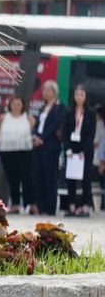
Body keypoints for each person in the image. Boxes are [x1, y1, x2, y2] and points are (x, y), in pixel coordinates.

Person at [0, 94, 35, 213]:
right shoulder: (3, 118)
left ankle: (30, 204)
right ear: (10, 105)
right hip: (7, 152)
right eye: (14, 104)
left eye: (19, 104)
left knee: (26, 178)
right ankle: (16, 204)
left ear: (23, 106)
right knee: (13, 179)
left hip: (24, 151)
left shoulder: (28, 118)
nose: (16, 106)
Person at [61, 84, 96, 217]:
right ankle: (72, 206)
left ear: (85, 96)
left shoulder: (91, 113)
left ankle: (86, 207)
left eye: (82, 94)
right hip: (71, 149)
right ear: (74, 96)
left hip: (85, 150)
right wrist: (68, 149)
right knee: (71, 178)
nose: (79, 97)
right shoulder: (69, 112)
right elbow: (65, 132)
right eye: (77, 94)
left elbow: (91, 134)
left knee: (86, 178)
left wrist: (84, 151)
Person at [32, 79, 64, 216]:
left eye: (46, 90)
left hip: (50, 146)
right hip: (39, 146)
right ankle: (40, 206)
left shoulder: (59, 107)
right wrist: (34, 136)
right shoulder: (42, 108)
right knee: (38, 175)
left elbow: (55, 125)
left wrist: (43, 138)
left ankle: (50, 207)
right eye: (43, 90)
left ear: (53, 91)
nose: (44, 92)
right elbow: (37, 124)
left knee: (50, 177)